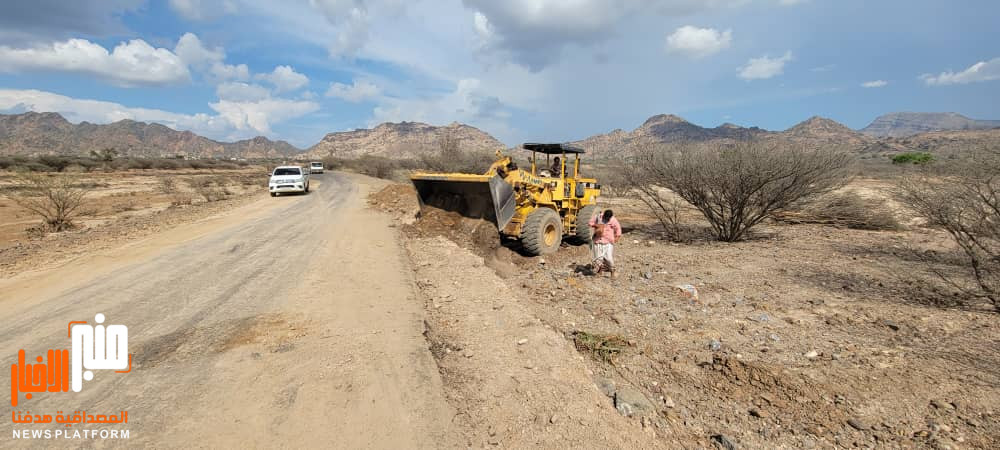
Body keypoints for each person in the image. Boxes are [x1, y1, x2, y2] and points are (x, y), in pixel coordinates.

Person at [589, 209, 622, 278]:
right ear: (604, 215)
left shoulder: (613, 220)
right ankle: (599, 271)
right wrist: (596, 225)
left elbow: (618, 228)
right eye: (605, 217)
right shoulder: (598, 217)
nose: (606, 219)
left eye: (608, 218)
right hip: (598, 240)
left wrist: (617, 237)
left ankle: (612, 271)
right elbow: (590, 223)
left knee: (609, 258)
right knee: (598, 258)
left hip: (608, 242)